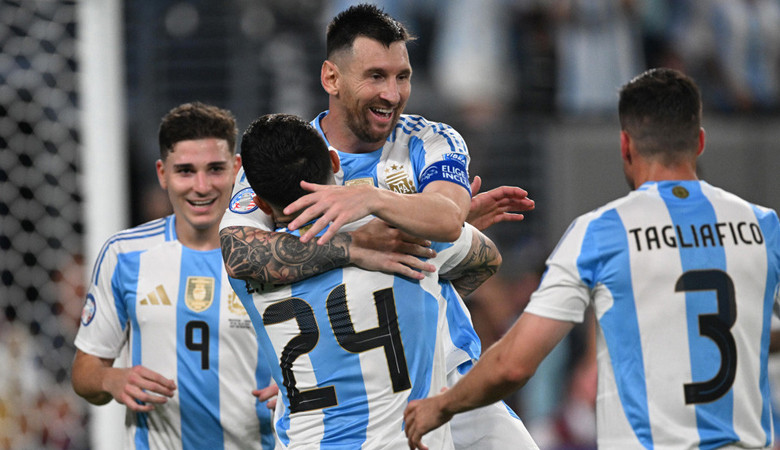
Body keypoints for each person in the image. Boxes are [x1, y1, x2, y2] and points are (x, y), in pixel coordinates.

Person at [404, 67, 780, 449]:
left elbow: (513, 364)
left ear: (625, 145)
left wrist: (442, 406)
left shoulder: (601, 233)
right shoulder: (764, 227)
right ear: (699, 142)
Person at [220, 4, 538, 449]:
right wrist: (358, 246)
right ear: (331, 78)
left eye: (402, 76)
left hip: (447, 375)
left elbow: (448, 219)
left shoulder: (430, 139)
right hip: (354, 398)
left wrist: (370, 199)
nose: (392, 93)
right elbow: (239, 252)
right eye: (375, 76)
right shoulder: (289, 157)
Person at [232, 112, 510, 448]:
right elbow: (487, 258)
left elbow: (242, 250)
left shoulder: (248, 269)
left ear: (260, 203)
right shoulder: (399, 236)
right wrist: (438, 226)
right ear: (335, 162)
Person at [71, 102, 275, 449]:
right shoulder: (124, 255)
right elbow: (84, 370)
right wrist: (111, 379)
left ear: (236, 169)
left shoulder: (274, 254)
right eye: (185, 171)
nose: (201, 186)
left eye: (215, 169)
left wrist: (295, 387)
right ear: (162, 173)